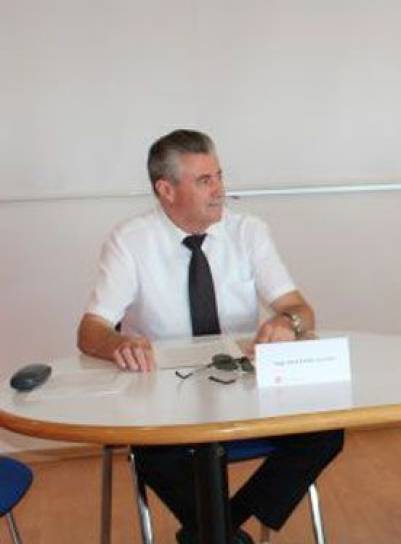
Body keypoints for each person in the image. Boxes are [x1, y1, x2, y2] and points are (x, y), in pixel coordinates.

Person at [76, 129, 343, 544]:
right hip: (164, 397)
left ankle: (221, 530)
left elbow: (300, 310)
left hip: (244, 386)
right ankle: (222, 533)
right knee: (154, 452)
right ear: (166, 190)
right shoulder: (130, 241)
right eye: (204, 181)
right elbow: (90, 330)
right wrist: (119, 343)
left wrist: (286, 323)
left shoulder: (248, 230)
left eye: (219, 176)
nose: (220, 190)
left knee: (325, 432)